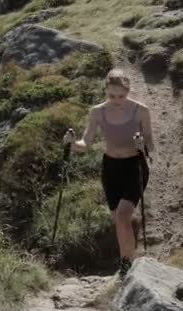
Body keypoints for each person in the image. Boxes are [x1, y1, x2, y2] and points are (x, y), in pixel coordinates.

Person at [63, 68, 155, 278]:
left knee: (122, 217)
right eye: (111, 95)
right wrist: (71, 143)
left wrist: (143, 145)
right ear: (106, 91)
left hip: (135, 166)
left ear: (128, 91)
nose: (116, 100)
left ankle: (126, 269)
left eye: (121, 96)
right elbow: (85, 144)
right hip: (110, 169)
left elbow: (150, 144)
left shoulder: (141, 110)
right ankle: (130, 258)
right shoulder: (97, 112)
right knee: (119, 219)